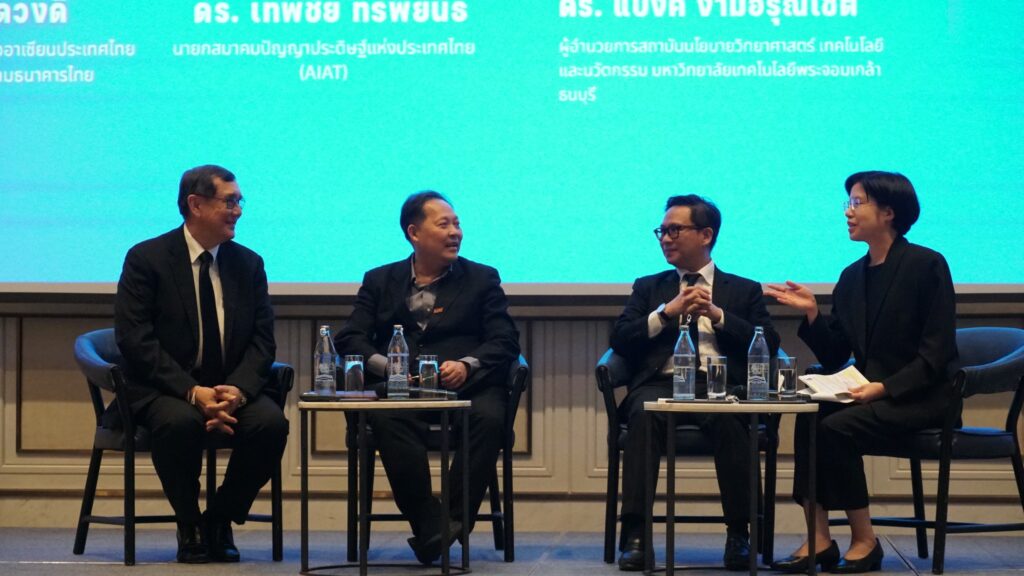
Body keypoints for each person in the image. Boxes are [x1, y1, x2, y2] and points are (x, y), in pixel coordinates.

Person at [765, 171, 958, 574]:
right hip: (870, 394)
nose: (848, 213)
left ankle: (865, 540)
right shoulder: (852, 276)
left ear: (888, 212)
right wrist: (813, 313)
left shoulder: (926, 265)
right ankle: (819, 537)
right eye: (848, 204)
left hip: (922, 396)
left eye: (857, 203)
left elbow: (936, 353)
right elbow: (837, 354)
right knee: (810, 416)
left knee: (837, 428)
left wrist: (884, 388)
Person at [335, 190, 520, 565]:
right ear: (414, 233)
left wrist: (467, 364)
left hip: (467, 388)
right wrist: (388, 367)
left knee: (488, 419)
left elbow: (505, 339)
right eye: (444, 224)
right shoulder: (380, 280)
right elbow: (350, 337)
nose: (455, 232)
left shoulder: (482, 278)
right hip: (404, 390)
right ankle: (430, 522)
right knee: (388, 417)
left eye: (457, 224)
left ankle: (446, 523)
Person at [114, 165, 288, 564]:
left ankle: (220, 519)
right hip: (166, 389)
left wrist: (238, 390)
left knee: (270, 424)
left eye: (239, 201)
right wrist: (192, 392)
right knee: (179, 422)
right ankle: (189, 523)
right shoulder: (147, 259)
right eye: (229, 201)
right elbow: (135, 339)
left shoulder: (248, 264)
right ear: (195, 204)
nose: (238, 210)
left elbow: (263, 340)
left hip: (230, 388)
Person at [610, 195, 780, 571]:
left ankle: (739, 534)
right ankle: (636, 535)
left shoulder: (743, 290)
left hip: (719, 384)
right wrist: (666, 312)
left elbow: (768, 344)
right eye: (662, 231)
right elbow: (620, 339)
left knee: (731, 420)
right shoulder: (648, 288)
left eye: (675, 230)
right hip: (660, 382)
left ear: (706, 235)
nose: (665, 238)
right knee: (642, 416)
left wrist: (718, 315)